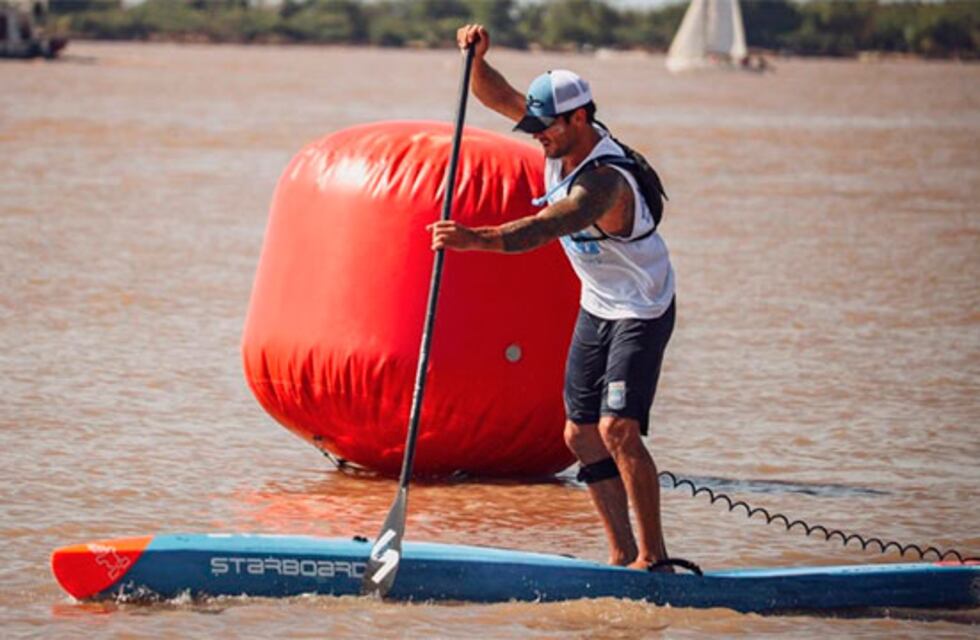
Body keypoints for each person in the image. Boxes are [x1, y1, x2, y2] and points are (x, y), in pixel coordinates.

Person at [430, 24, 677, 571]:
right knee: (579, 435)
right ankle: (621, 555)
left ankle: (654, 559)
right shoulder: (556, 132)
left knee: (617, 429)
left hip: (642, 305)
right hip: (598, 302)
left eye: (546, 126)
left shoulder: (605, 183)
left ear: (580, 119)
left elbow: (541, 230)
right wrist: (476, 60)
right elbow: (498, 96)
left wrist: (474, 240)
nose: (535, 134)